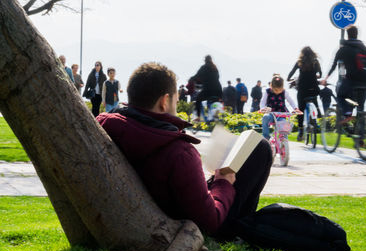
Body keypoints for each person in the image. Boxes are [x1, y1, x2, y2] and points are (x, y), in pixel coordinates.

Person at [96, 62, 273, 237]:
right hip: (194, 224)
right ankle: (239, 227)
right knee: (260, 148)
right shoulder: (179, 153)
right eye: (176, 100)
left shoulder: (106, 126)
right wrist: (223, 183)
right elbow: (209, 222)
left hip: (145, 210)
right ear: (164, 102)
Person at [323, 25, 366, 120]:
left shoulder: (343, 49)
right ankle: (360, 129)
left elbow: (334, 66)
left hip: (353, 80)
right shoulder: (364, 48)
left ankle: (347, 113)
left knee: (340, 95)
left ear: (348, 35)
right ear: (357, 35)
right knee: (360, 106)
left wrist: (325, 79)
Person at [287, 46, 322, 141]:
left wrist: (291, 79)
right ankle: (315, 119)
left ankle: (301, 130)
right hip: (314, 88)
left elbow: (290, 75)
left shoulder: (300, 62)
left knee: (300, 110)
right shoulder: (315, 62)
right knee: (314, 100)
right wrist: (315, 76)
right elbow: (320, 74)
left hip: (302, 89)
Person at [259, 75, 300, 140]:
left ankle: (285, 141)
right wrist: (262, 108)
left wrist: (295, 108)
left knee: (284, 127)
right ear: (271, 86)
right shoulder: (267, 92)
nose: (278, 91)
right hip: (271, 114)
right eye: (275, 89)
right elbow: (262, 102)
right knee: (265, 118)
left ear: (282, 87)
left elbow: (291, 101)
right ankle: (266, 137)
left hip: (281, 114)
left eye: (280, 89)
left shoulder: (284, 92)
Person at [191, 55, 223, 120]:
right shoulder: (215, 67)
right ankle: (215, 115)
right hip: (218, 90)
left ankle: (198, 117)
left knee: (198, 99)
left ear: (205, 60)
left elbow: (197, 75)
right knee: (214, 101)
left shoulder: (204, 67)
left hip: (208, 89)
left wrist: (191, 79)